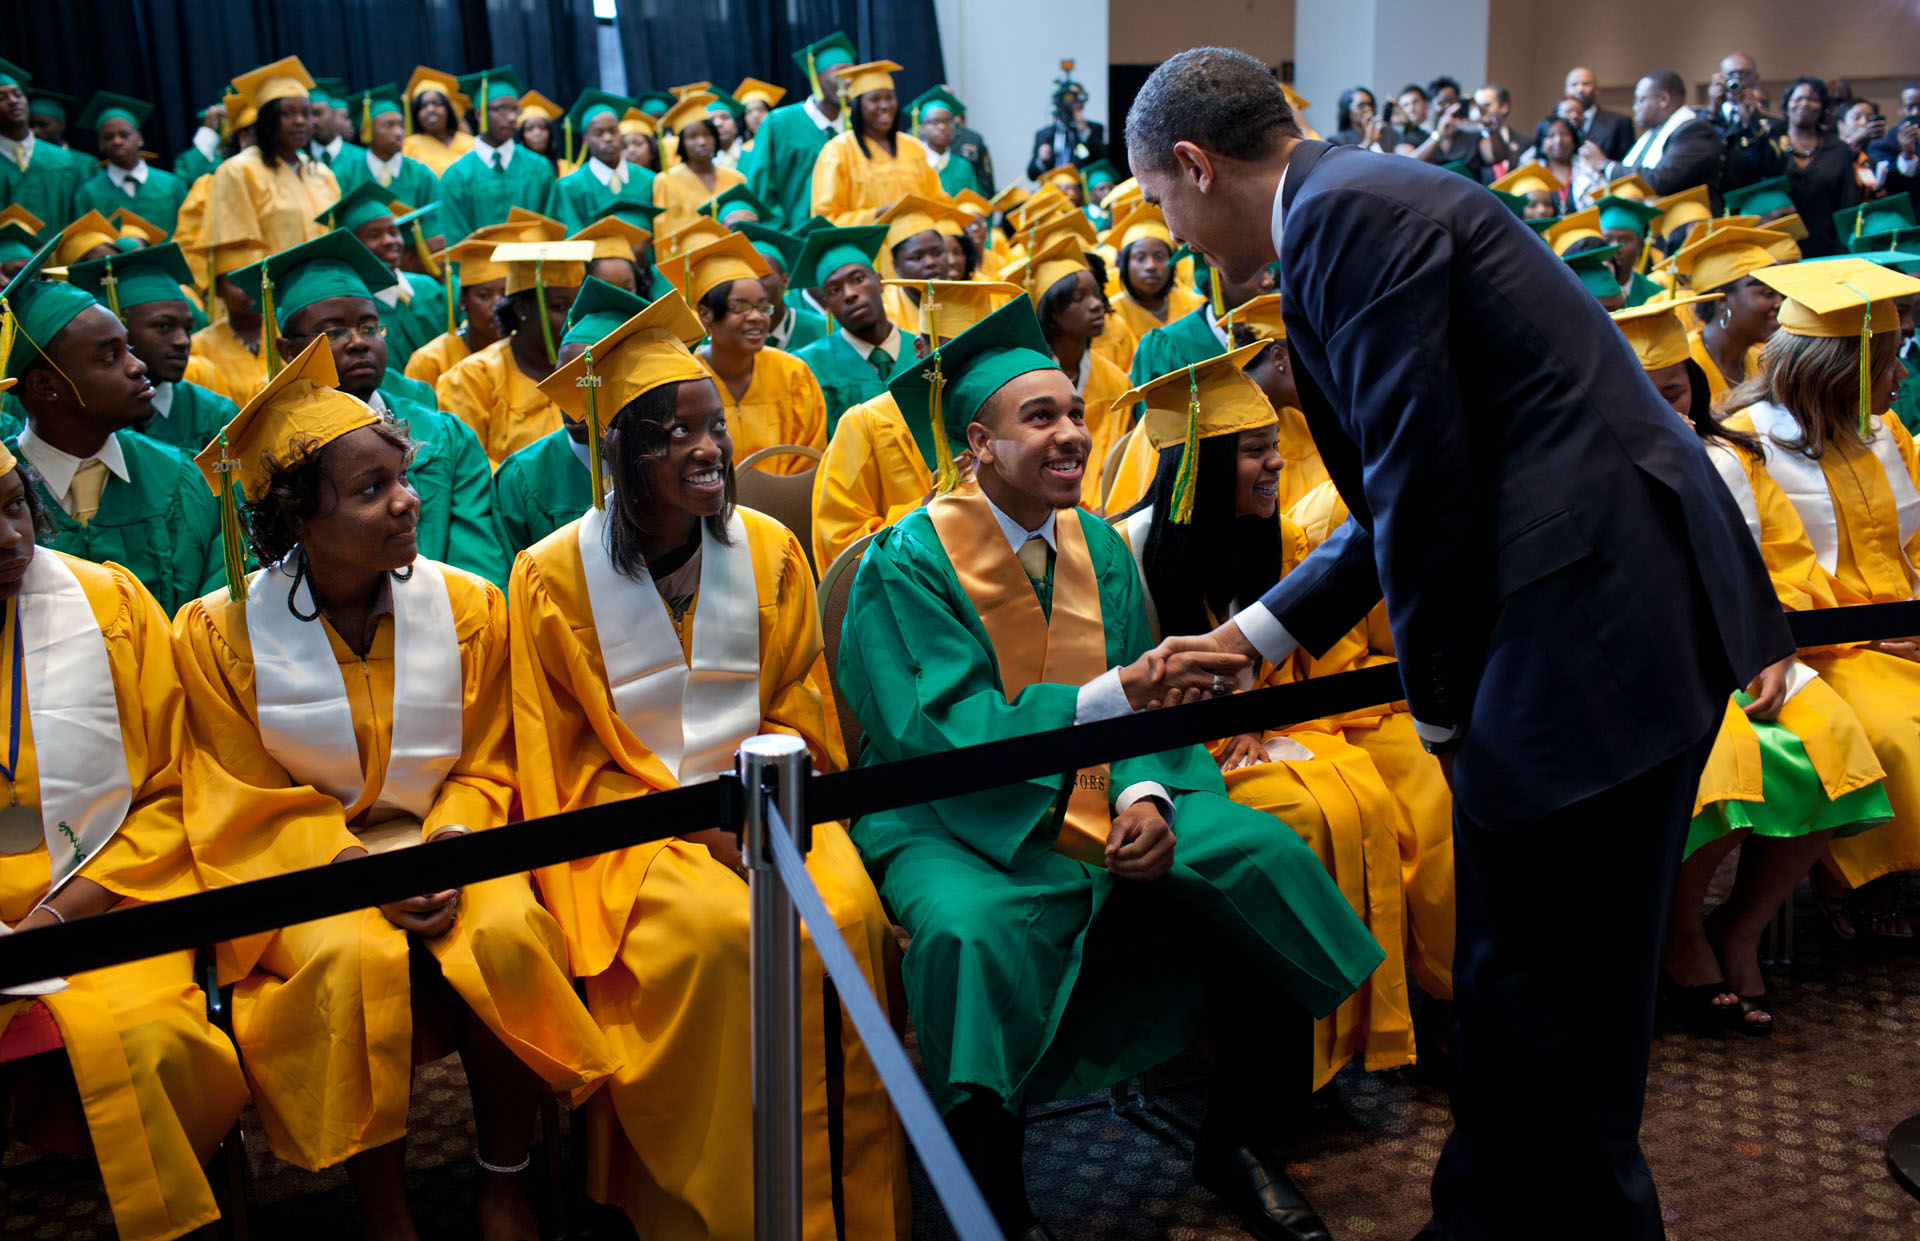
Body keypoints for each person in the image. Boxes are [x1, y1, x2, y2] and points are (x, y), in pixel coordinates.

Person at [1125, 49, 1794, 1239]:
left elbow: (1422, 485)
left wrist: (1436, 707)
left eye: (1159, 202)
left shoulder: (1341, 219)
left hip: (1584, 633)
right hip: (1619, 615)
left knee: (1545, 994)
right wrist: (1260, 632)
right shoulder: (1361, 196)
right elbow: (1418, 484)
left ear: (1194, 163)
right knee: (1553, 994)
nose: (1169, 232)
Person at [838, 296, 1381, 1241]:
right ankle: (996, 1204)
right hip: (950, 809)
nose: (1070, 436)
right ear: (978, 442)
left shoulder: (1100, 545)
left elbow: (1152, 711)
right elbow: (935, 724)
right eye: (1038, 418)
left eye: (1074, 413)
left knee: (1260, 853)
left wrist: (1144, 794)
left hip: (1106, 779)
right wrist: (1115, 697)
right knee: (973, 934)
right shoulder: (907, 562)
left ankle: (1237, 1137)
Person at [175, 336, 615, 1241]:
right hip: (308, 866)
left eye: (401, 476)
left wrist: (459, 836)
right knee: (350, 959)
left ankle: (502, 1179)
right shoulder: (219, 635)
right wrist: (352, 867)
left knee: (504, 927)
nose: (407, 500)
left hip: (451, 840)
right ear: (297, 517)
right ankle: (382, 1205)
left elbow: (492, 757)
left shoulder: (465, 605)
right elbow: (234, 795)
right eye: (371, 490)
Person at [510, 294, 909, 1239]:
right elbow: (557, 755)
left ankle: (844, 1200)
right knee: (719, 938)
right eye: (673, 434)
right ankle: (711, 1207)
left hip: (771, 799)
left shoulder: (767, 548)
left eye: (714, 426)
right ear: (618, 457)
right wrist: (691, 817)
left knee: (848, 913)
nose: (707, 449)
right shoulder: (550, 575)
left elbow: (800, 699)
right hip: (631, 830)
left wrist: (764, 791)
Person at [1115, 342, 1416, 1092]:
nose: (1277, 463)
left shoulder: (1270, 535)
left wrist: (1248, 716)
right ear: (1205, 464)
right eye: (1254, 451)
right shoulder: (1124, 551)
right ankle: (1278, 1060)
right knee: (1300, 819)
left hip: (1256, 730)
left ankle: (1350, 1039)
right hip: (1166, 757)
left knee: (1365, 798)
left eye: (1277, 446)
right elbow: (1118, 686)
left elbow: (1274, 656)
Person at [1605, 293, 1893, 1035]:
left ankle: (1739, 921)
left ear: (1692, 388)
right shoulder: (1582, 477)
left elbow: (1789, 564)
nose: (1660, 411)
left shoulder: (1732, 457)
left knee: (1835, 744)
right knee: (1729, 769)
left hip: (1751, 651)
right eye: (1639, 393)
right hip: (1646, 669)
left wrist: (1767, 634)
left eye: (1672, 391)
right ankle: (1680, 930)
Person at [0, 423, 250, 1241]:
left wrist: (48, 923)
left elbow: (171, 790)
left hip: (108, 902)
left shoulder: (106, 603)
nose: (11, 539)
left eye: (15, 508)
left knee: (153, 1039)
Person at [1721, 257, 1920, 946]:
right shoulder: (1752, 445)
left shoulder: (1888, 434)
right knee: (1898, 725)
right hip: (1822, 650)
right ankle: (1865, 875)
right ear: (1843, 371)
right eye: (1889, 361)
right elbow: (1756, 572)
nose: (1901, 377)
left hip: (1904, 638)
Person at [236, 230, 509, 585]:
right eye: (332, 333)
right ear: (287, 350)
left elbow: (479, 562)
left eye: (369, 327)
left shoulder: (444, 434)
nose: (358, 343)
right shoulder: (264, 450)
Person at [2, 242, 223, 616]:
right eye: (110, 357)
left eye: (129, 348)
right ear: (44, 386)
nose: (138, 367)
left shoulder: (189, 481)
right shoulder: (6, 485)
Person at [810, 278, 1019, 568]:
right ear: (920, 349)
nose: (971, 369)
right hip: (910, 588)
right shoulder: (867, 422)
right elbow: (841, 543)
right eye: (955, 353)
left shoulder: (1007, 418)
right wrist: (926, 510)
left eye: (983, 356)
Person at [488, 277, 644, 559]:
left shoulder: (664, 460)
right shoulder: (523, 475)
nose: (573, 401)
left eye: (591, 382)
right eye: (563, 381)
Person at [661, 231, 826, 471]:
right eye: (740, 307)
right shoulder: (682, 379)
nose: (757, 317)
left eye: (762, 306)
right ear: (706, 314)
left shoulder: (792, 373)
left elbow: (809, 456)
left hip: (783, 505)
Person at [65, 243, 232, 457]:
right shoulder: (88, 412)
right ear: (120, 328)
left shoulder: (216, 414)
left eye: (188, 329)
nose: (182, 341)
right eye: (163, 326)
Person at [436, 237, 584, 468]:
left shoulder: (589, 368)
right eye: (560, 307)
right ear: (521, 308)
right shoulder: (471, 378)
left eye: (580, 305)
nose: (575, 319)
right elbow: (471, 468)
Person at [1008, 232, 1130, 508]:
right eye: (1078, 298)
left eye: (1097, 294)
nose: (1096, 304)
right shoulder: (1021, 384)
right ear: (1049, 310)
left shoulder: (1116, 382)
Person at [206, 57, 340, 272]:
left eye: (306, 113)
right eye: (287, 113)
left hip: (325, 289)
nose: (299, 121)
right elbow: (236, 254)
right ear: (267, 119)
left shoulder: (321, 173)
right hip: (274, 295)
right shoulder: (239, 171)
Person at [315, 184, 445, 370]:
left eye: (393, 232)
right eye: (375, 235)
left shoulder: (428, 289)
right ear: (353, 246)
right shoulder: (351, 308)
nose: (389, 241)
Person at [790, 225, 902, 435]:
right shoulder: (809, 366)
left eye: (858, 279)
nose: (850, 294)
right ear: (826, 303)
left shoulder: (923, 352)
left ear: (880, 282)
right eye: (835, 290)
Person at [739, 33, 857, 229]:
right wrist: (781, 234)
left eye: (853, 74)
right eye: (840, 73)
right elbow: (761, 185)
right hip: (796, 237)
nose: (848, 81)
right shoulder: (780, 122)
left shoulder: (856, 125)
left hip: (849, 235)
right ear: (817, 77)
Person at [811, 61, 943, 226]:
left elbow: (938, 201)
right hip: (870, 246)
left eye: (889, 98)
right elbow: (826, 219)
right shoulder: (837, 151)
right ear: (858, 106)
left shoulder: (913, 146)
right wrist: (879, 213)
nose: (885, 106)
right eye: (875, 99)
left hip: (918, 245)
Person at [1670, 225, 1792, 403]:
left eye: (1779, 293)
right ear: (1722, 300)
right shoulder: (1683, 365)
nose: (1779, 303)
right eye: (1767, 294)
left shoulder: (1765, 362)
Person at [435, 68, 556, 246]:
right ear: (479, 114)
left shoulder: (539, 168)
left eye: (515, 110)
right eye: (501, 109)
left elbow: (551, 227)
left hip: (534, 270)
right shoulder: (456, 176)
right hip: (481, 271)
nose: (511, 118)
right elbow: (456, 239)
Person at [403, 222, 519, 388]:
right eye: (484, 296)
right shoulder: (430, 361)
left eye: (505, 294)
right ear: (463, 300)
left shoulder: (523, 352)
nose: (497, 304)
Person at [1588, 70, 1727, 206]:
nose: (1635, 107)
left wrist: (1605, 165)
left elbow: (1660, 179)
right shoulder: (1652, 135)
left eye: (1641, 100)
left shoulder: (1694, 131)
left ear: (1663, 100)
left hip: (1686, 223)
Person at [70, 93, 190, 237]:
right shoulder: (88, 193)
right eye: (108, 137)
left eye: (124, 135)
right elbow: (84, 241)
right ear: (100, 145)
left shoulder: (172, 185)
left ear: (139, 139)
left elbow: (189, 233)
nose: (117, 141)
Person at [547, 89, 654, 233]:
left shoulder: (649, 180)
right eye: (599, 133)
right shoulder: (569, 187)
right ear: (585, 139)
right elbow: (571, 236)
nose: (608, 138)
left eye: (613, 131)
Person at [1777, 76, 1862, 257]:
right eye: (1798, 98)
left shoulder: (1839, 150)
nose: (1805, 103)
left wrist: (1843, 255)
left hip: (1825, 250)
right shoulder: (1771, 145)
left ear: (1823, 106)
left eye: (1813, 99)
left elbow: (1847, 207)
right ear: (1786, 104)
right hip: (1778, 252)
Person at [1105, 203, 1204, 357]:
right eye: (1140, 258)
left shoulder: (1195, 303)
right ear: (1125, 265)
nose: (1151, 266)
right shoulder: (1111, 314)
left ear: (1172, 263)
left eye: (1159, 256)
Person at [0, 58, 82, 234]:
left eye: (18, 94)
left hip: (62, 257)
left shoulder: (65, 161)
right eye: (2, 98)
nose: (13, 101)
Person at [184, 242, 271, 405]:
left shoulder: (286, 331)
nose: (246, 289)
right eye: (236, 281)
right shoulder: (199, 345)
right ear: (217, 289)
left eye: (254, 277)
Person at [652, 92, 747, 236]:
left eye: (707, 134)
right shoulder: (666, 181)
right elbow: (663, 232)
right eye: (693, 137)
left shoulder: (736, 178)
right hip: (689, 254)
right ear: (682, 143)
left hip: (731, 252)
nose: (702, 142)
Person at [332, 85, 441, 207]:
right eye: (389, 126)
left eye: (401, 125)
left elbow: (434, 219)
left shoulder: (422, 175)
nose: (399, 132)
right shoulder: (346, 175)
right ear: (367, 131)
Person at [1707, 52, 1791, 195]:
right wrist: (1712, 110)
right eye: (1732, 74)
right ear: (1721, 78)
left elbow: (1774, 168)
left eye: (1744, 74)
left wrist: (1752, 122)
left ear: (1755, 79)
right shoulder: (1706, 117)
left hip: (1753, 201)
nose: (1738, 80)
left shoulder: (1775, 123)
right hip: (1715, 200)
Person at [739, 221, 828, 352]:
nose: (753, 284)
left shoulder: (822, 329)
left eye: (762, 276)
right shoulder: (731, 333)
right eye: (746, 277)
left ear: (785, 280)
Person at [1541, 67, 1634, 163]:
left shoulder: (1619, 122)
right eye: (1574, 85)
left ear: (1597, 90)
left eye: (1586, 84)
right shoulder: (1554, 124)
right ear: (1566, 90)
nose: (1580, 89)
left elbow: (1626, 165)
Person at [1026, 75, 1106, 180]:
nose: (1072, 102)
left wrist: (1084, 132)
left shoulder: (1093, 129)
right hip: (1053, 188)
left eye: (1077, 97)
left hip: (1080, 190)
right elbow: (1031, 175)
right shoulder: (1044, 134)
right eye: (1068, 97)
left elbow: (1103, 163)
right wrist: (1041, 161)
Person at [399, 66, 474, 179]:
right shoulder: (408, 146)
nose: (430, 110)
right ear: (416, 113)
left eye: (437, 104)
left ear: (448, 108)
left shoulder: (471, 143)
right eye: (423, 106)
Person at [910, 86, 980, 198]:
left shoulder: (964, 167)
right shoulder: (912, 166)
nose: (942, 127)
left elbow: (974, 203)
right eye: (935, 121)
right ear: (921, 127)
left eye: (947, 121)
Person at [1329, 86, 1398, 152]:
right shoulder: (1338, 141)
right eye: (1361, 105)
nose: (1369, 109)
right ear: (1348, 111)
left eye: (1370, 104)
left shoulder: (1388, 134)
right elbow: (1347, 162)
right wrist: (1367, 142)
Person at [733, 76, 785, 142]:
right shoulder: (739, 148)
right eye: (749, 111)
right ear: (744, 118)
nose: (755, 115)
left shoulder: (783, 142)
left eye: (760, 109)